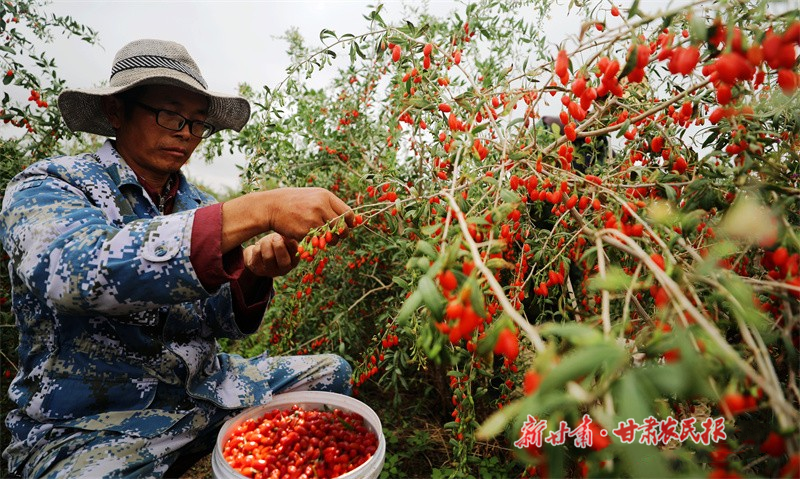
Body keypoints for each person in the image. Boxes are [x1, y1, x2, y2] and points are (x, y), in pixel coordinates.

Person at [0, 39, 356, 478]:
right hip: (95, 424)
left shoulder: (197, 204)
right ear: (116, 110)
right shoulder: (48, 185)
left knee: (333, 374)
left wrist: (251, 273)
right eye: (171, 115)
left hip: (205, 394)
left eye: (198, 123)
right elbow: (76, 274)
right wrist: (257, 208)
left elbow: (216, 322)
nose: (186, 133)